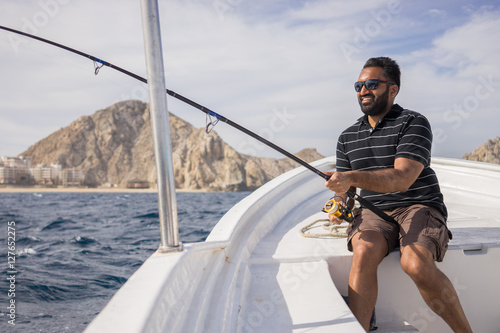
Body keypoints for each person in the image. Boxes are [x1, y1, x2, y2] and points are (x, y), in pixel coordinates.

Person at [324, 57, 472, 332]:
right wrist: (338, 201)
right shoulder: (346, 137)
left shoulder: (413, 122)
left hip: (418, 205)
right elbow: (345, 189)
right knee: (364, 251)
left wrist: (351, 178)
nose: (363, 91)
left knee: (414, 262)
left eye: (371, 84)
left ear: (393, 89)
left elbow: (403, 178)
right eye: (358, 85)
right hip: (372, 212)